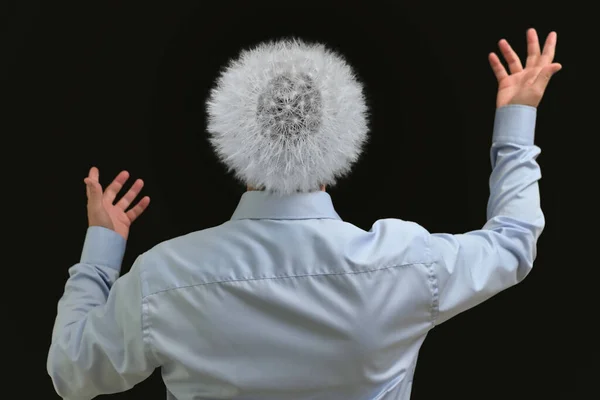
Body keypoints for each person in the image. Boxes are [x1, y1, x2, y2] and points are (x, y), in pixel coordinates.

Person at [47, 28, 561, 399]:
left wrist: (100, 250)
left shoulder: (163, 277)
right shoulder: (407, 263)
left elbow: (71, 373)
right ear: (341, 141)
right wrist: (517, 118)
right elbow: (513, 243)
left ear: (233, 141)